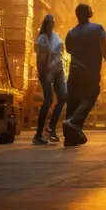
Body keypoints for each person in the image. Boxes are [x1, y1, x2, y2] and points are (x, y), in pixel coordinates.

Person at [63, 3, 106, 148]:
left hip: (74, 73)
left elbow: (69, 51)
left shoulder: (71, 33)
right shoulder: (97, 29)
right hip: (90, 72)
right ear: (90, 13)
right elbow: (105, 51)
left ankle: (70, 138)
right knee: (90, 96)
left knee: (73, 103)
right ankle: (74, 122)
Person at [33, 15, 67, 146]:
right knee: (48, 100)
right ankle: (38, 134)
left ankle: (51, 128)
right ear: (44, 24)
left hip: (59, 69)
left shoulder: (56, 36)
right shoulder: (42, 38)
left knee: (63, 96)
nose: (51, 25)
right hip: (47, 71)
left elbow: (61, 51)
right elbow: (42, 59)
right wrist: (44, 71)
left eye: (52, 23)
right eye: (48, 23)